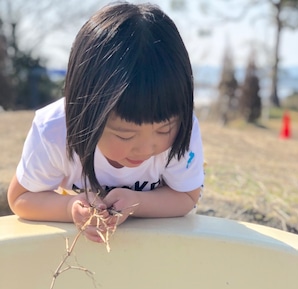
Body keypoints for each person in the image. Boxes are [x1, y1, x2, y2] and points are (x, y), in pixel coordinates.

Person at [7, 2, 205, 243]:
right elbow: (21, 199)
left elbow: (186, 197)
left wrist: (137, 203)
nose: (145, 149)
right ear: (85, 111)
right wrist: (71, 206)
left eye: (163, 129)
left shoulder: (183, 127)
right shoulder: (54, 130)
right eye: (125, 135)